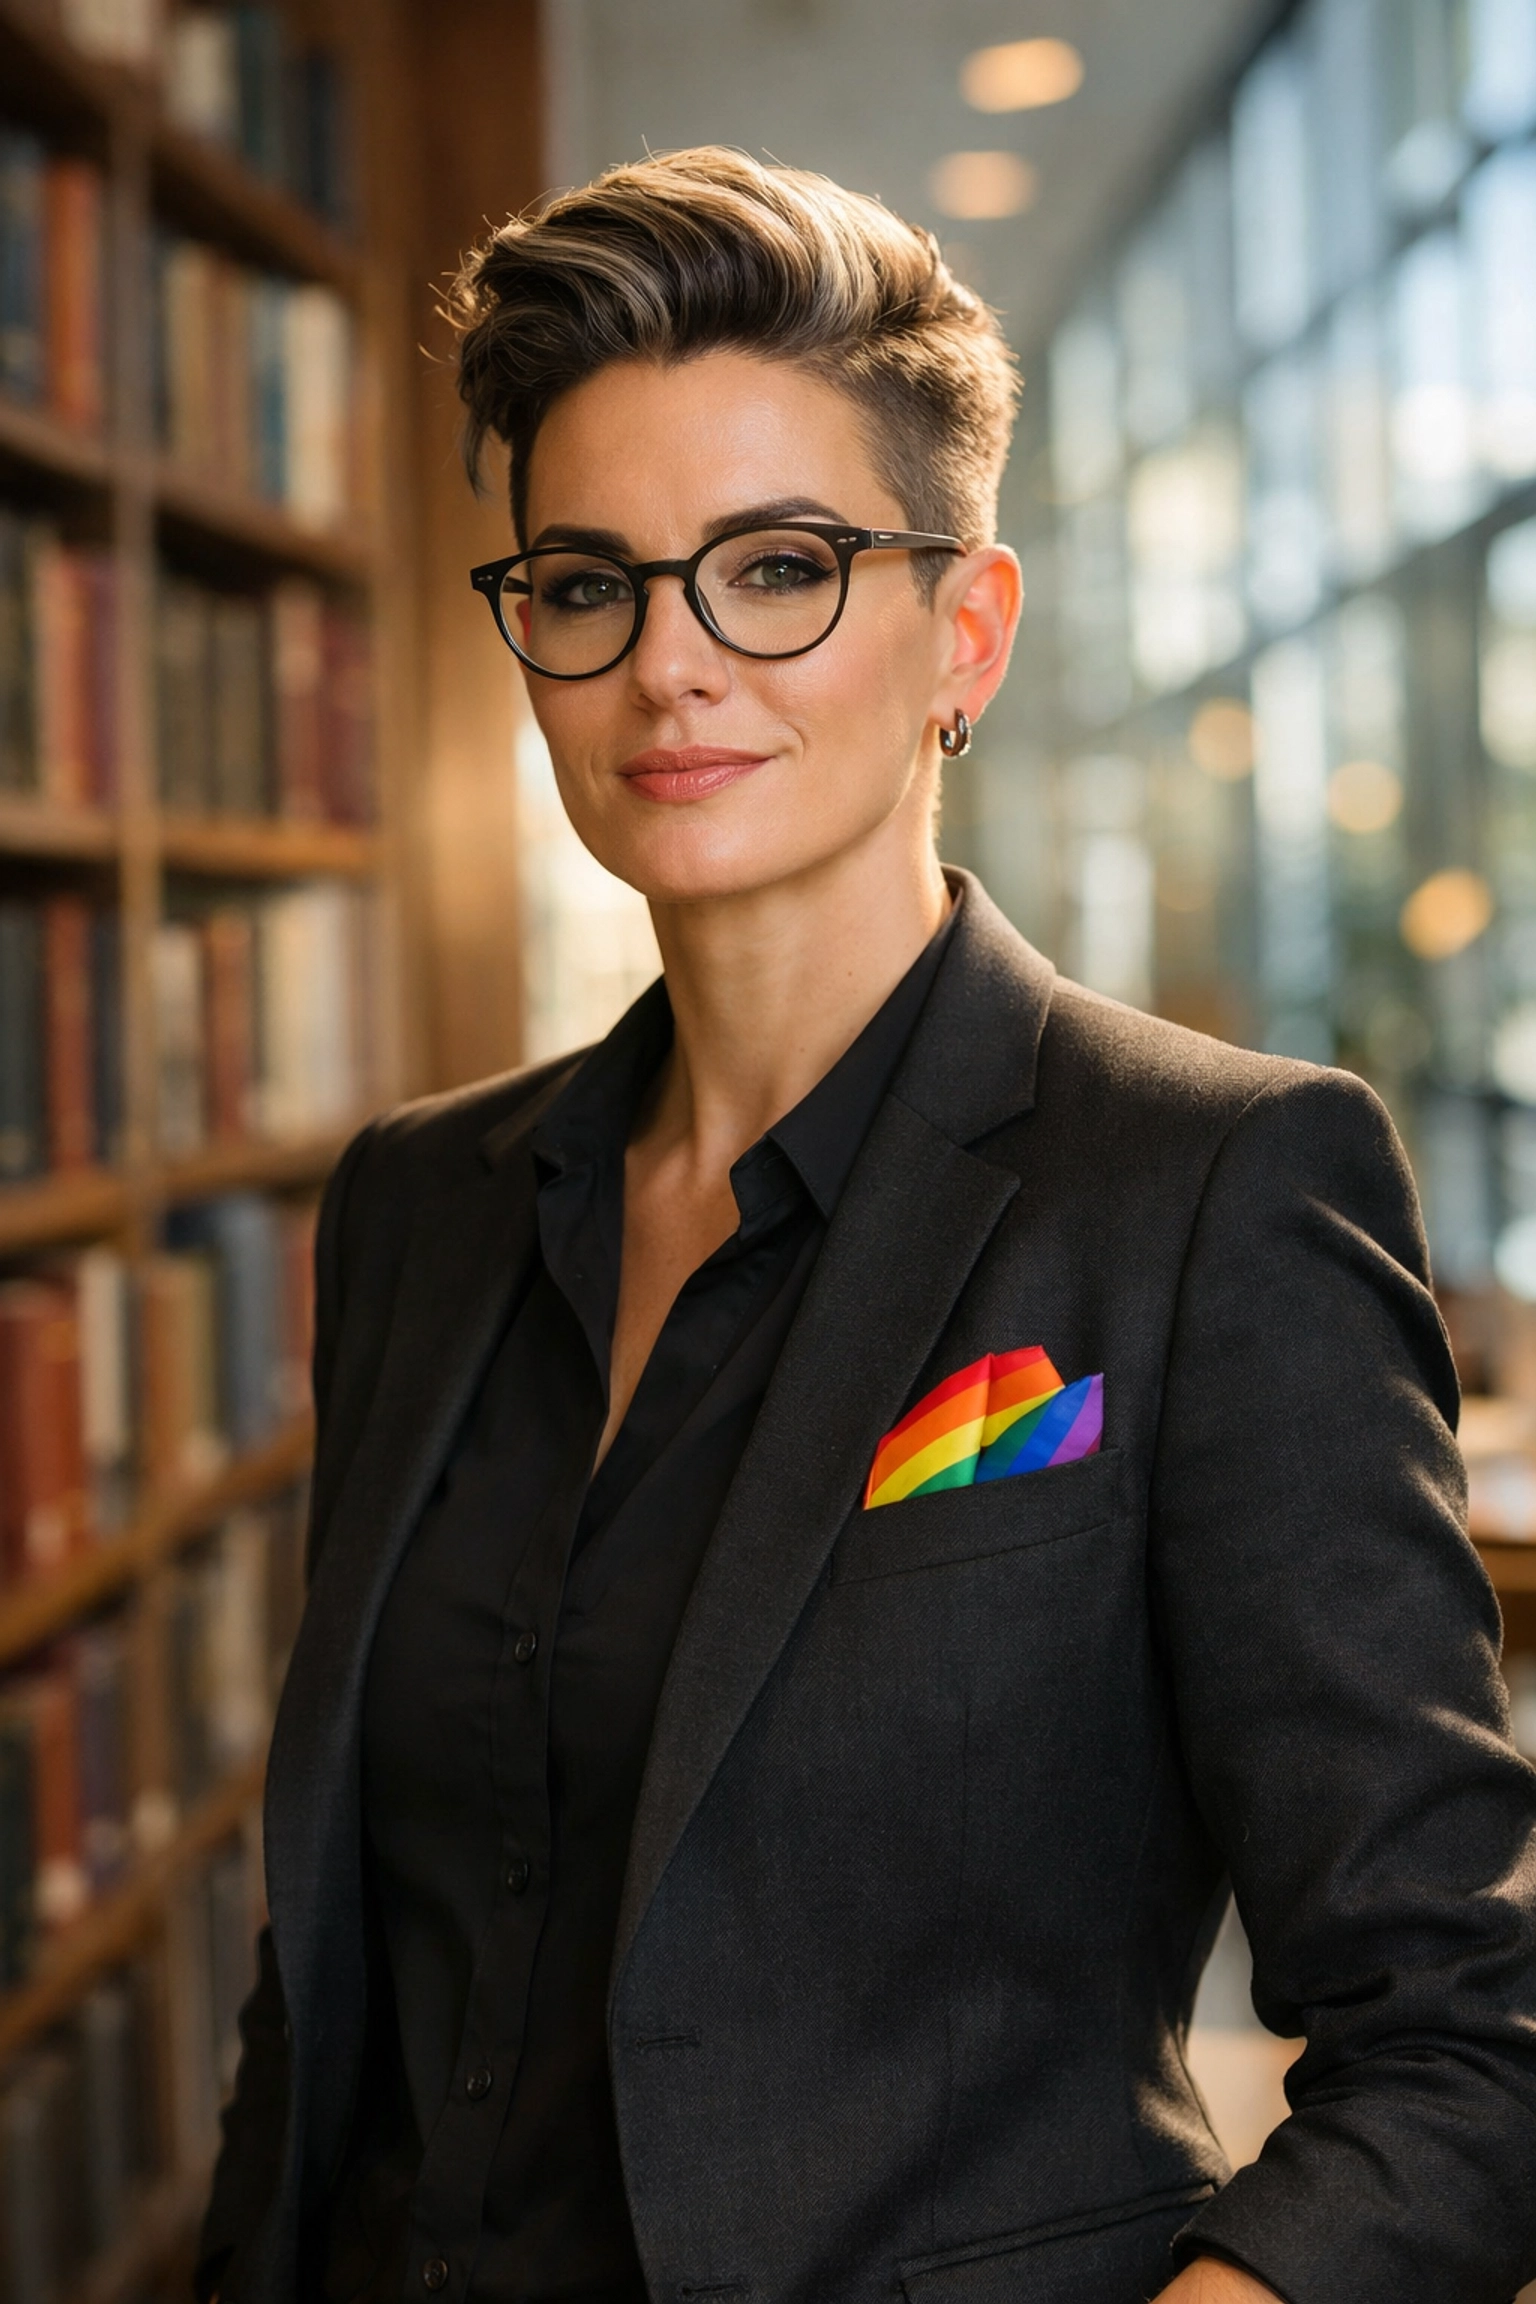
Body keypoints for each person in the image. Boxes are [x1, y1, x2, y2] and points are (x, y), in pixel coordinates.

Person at [198, 149, 1536, 2304]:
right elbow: (336, 1972)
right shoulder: (416, 1207)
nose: (673, 667)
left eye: (780, 567)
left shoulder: (1213, 1189)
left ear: (963, 631)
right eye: (585, 582)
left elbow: (1469, 2062)